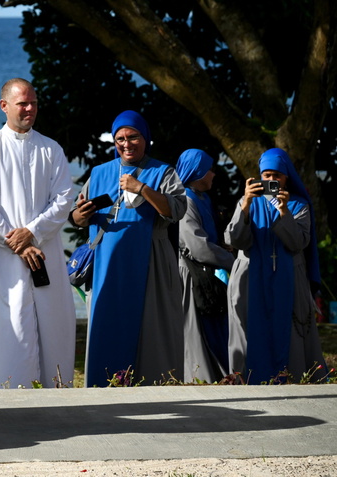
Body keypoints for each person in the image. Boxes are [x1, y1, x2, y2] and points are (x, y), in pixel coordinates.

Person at [0, 78, 76, 389]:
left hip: (44, 248)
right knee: (5, 325)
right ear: (4, 106)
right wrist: (18, 242)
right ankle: (1, 385)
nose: (29, 109)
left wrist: (33, 232)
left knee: (51, 324)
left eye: (33, 103)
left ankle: (55, 388)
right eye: (22, 103)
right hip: (1, 255)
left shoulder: (51, 149)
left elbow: (64, 199)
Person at [69, 110, 186, 387]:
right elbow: (74, 214)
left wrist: (142, 188)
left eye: (133, 137)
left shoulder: (163, 171)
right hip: (107, 264)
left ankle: (154, 387)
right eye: (120, 138)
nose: (126, 143)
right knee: (106, 328)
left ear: (145, 138)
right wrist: (80, 216)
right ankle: (103, 387)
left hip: (150, 262)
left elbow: (177, 210)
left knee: (152, 329)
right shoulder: (99, 173)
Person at [224, 148, 327, 384]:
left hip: (289, 276)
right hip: (253, 278)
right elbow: (234, 240)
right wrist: (246, 205)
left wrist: (283, 212)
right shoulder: (247, 201)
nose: (271, 181)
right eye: (266, 175)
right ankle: (248, 378)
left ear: (286, 177)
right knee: (251, 328)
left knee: (289, 333)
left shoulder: (299, 205)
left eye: (276, 176)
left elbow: (298, 242)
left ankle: (291, 377)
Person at [175, 149, 235, 383]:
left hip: (209, 272)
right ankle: (201, 377)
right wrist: (232, 261)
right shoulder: (186, 200)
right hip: (192, 275)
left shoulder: (202, 197)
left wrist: (222, 248)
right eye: (209, 169)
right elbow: (196, 245)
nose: (213, 174)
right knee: (198, 329)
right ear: (198, 172)